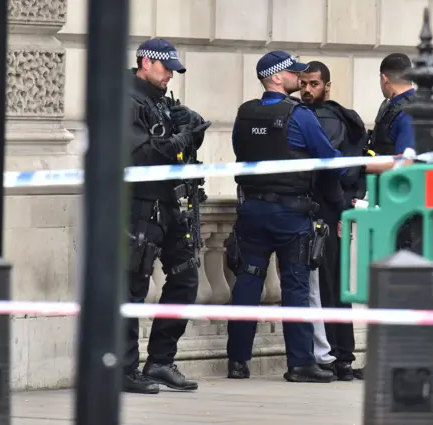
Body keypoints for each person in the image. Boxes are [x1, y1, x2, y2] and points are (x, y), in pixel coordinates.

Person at [225, 51, 346, 383]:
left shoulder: (244, 113)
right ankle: (300, 363)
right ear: (277, 77)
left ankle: (237, 361)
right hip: (291, 213)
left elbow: (240, 153)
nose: (299, 77)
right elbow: (329, 159)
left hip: (251, 211)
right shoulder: (300, 116)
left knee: (247, 283)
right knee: (295, 285)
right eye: (293, 72)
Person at [299, 61, 412, 381]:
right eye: (304, 83)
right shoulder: (381, 110)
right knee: (344, 285)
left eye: (314, 84)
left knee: (332, 285)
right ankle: (351, 357)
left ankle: (347, 357)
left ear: (384, 79)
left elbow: (404, 163)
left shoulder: (403, 111)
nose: (307, 90)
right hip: (367, 209)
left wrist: (351, 186)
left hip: (358, 210)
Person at [124, 38, 211, 394]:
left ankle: (160, 360)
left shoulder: (159, 100)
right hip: (140, 208)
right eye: (165, 69)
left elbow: (184, 140)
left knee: (186, 280)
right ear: (145, 63)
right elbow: (141, 155)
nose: (170, 76)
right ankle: (124, 368)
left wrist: (191, 129)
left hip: (173, 205)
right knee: (131, 290)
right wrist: (179, 138)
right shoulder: (126, 99)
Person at [368, 53, 416, 155]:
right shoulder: (392, 105)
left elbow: (404, 162)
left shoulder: (409, 112)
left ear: (384, 79)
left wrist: (363, 165)